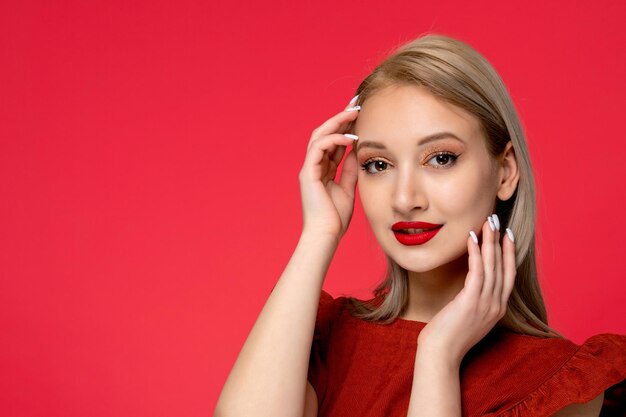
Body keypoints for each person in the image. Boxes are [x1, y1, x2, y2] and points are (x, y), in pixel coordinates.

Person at [214, 33, 626, 417]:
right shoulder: (321, 339)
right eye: (378, 164)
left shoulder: (556, 382)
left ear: (504, 172)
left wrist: (437, 357)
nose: (405, 198)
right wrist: (319, 233)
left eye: (440, 158)